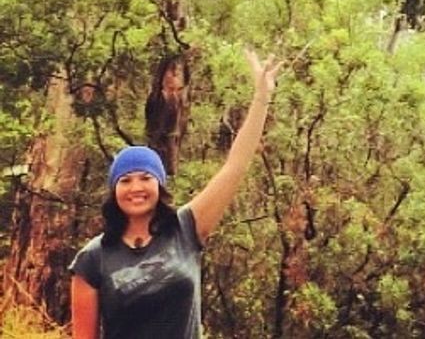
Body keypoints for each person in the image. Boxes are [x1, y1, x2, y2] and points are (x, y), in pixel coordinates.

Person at [69, 48, 281, 339]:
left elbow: (235, 167)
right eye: (125, 180)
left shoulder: (186, 229)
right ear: (114, 190)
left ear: (159, 186)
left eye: (145, 178)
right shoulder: (93, 258)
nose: (136, 188)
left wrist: (261, 98)